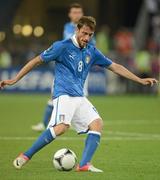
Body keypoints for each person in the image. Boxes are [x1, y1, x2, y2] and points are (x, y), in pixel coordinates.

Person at [0, 16, 158, 172]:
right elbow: (36, 61)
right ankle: (26, 155)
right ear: (77, 30)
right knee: (61, 127)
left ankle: (83, 165)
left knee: (97, 124)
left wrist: (139, 80)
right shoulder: (61, 47)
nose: (86, 38)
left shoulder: (91, 50)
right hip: (64, 94)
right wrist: (15, 79)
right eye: (84, 33)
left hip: (79, 96)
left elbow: (115, 66)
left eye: (90, 35)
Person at [31, 3, 85, 132]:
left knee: (80, 98)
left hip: (79, 70)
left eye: (79, 12)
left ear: (82, 14)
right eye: (74, 12)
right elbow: (68, 43)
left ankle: (75, 123)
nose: (76, 15)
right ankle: (48, 124)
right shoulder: (67, 27)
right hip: (65, 69)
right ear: (70, 14)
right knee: (55, 96)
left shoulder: (86, 31)